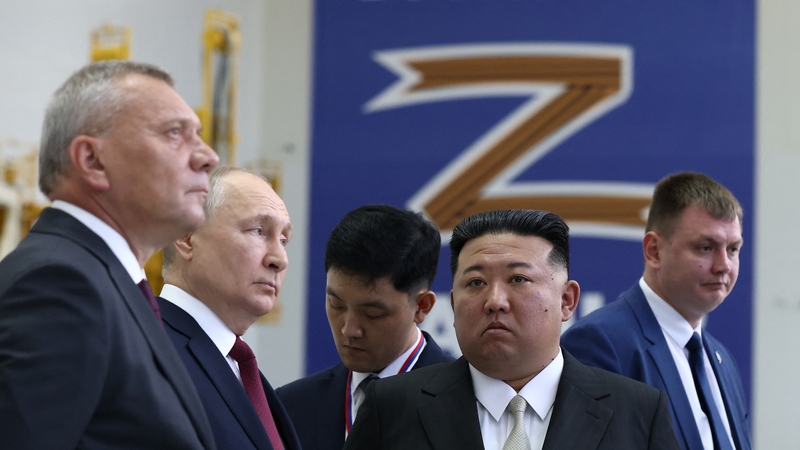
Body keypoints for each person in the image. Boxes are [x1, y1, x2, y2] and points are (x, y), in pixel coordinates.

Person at [0, 61, 219, 449]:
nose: (208, 157)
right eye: (174, 133)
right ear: (92, 161)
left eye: (198, 134)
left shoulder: (101, 280)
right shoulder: (59, 285)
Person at [344, 209, 680, 450]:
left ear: (567, 300)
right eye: (475, 282)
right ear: (453, 303)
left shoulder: (637, 412)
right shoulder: (390, 408)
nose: (494, 301)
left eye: (518, 279)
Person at [561, 172, 751, 450]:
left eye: (733, 249)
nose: (724, 265)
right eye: (705, 247)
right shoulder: (600, 344)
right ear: (654, 250)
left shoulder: (722, 359)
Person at [276, 204, 453, 450]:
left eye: (373, 314)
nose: (349, 329)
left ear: (422, 306)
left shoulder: (465, 402)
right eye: (335, 304)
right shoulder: (290, 407)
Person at [159, 165, 301, 450]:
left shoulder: (240, 368)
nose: (280, 259)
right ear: (186, 237)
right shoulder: (142, 348)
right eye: (259, 231)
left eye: (283, 240)